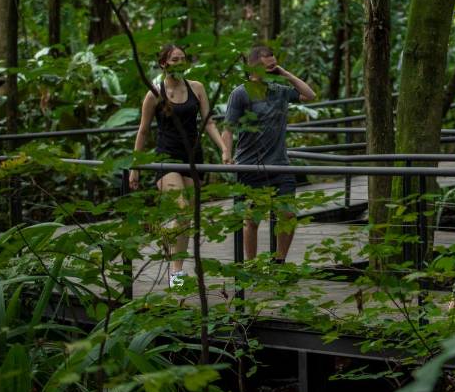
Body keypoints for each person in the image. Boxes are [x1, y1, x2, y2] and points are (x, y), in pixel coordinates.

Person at [130, 43, 229, 289]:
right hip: (167, 157)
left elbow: (208, 123)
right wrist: (135, 167)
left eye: (183, 59)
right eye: (175, 59)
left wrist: (224, 149)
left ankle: (164, 236)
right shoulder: (155, 93)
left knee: (187, 218)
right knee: (182, 209)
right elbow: (143, 132)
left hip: (194, 157)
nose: (180, 63)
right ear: (164, 63)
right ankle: (176, 273)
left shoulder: (197, 88)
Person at [222, 45, 316, 263]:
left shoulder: (279, 90)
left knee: (288, 214)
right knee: (252, 219)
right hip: (251, 166)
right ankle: (252, 264)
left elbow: (309, 95)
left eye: (274, 66)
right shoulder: (240, 93)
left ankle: (279, 261)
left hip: (280, 164)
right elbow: (227, 129)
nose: (273, 70)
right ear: (254, 68)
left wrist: (284, 73)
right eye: (268, 67)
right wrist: (226, 154)